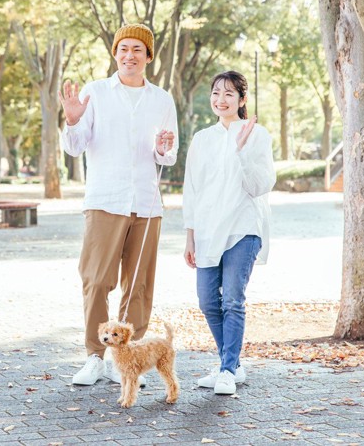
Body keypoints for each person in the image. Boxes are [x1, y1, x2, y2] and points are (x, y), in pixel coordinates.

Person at [58, 23, 178, 386]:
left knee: (139, 286)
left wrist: (163, 145)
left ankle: (127, 359)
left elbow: (168, 156)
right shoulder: (95, 92)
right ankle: (95, 356)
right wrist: (73, 119)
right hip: (105, 200)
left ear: (148, 57)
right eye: (124, 48)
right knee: (96, 281)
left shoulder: (162, 99)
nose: (130, 55)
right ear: (115, 53)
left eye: (138, 50)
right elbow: (74, 147)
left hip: (146, 203)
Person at [182, 70, 275, 395]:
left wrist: (240, 151)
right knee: (208, 301)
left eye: (229, 94)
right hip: (207, 230)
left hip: (243, 227)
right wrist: (190, 236)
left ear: (242, 100)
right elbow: (191, 189)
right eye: (216, 93)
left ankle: (226, 369)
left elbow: (261, 185)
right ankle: (232, 364)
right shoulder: (202, 138)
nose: (221, 100)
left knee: (233, 300)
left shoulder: (257, 135)